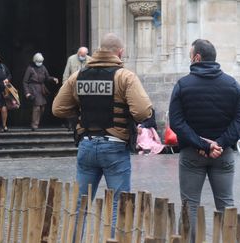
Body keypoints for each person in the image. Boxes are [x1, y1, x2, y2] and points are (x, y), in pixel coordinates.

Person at [52, 33, 152, 237]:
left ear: (98, 51)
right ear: (120, 52)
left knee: (79, 205)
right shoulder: (125, 76)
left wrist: (82, 111)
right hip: (115, 147)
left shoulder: (78, 75)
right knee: (118, 204)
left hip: (86, 145)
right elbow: (142, 112)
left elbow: (58, 108)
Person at [168, 39, 240, 242]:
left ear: (197, 57)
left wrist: (203, 144)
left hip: (191, 155)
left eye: (190, 55)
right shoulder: (232, 85)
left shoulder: (183, 85)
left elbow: (176, 123)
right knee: (226, 205)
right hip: (223, 155)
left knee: (190, 206)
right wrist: (219, 144)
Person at [23, 53, 59, 131]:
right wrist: (27, 92)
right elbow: (25, 81)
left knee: (42, 107)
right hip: (33, 88)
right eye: (38, 61)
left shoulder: (43, 67)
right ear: (35, 61)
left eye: (41, 61)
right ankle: (34, 125)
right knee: (37, 107)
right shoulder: (30, 68)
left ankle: (37, 121)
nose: (40, 63)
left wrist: (53, 79)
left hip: (41, 89)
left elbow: (47, 77)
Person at [62, 47, 91, 130]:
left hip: (86, 88)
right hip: (73, 87)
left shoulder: (90, 60)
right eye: (82, 55)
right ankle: (71, 124)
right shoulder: (71, 59)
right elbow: (66, 73)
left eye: (84, 55)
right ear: (78, 53)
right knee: (72, 106)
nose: (83, 56)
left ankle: (83, 124)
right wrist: (64, 86)